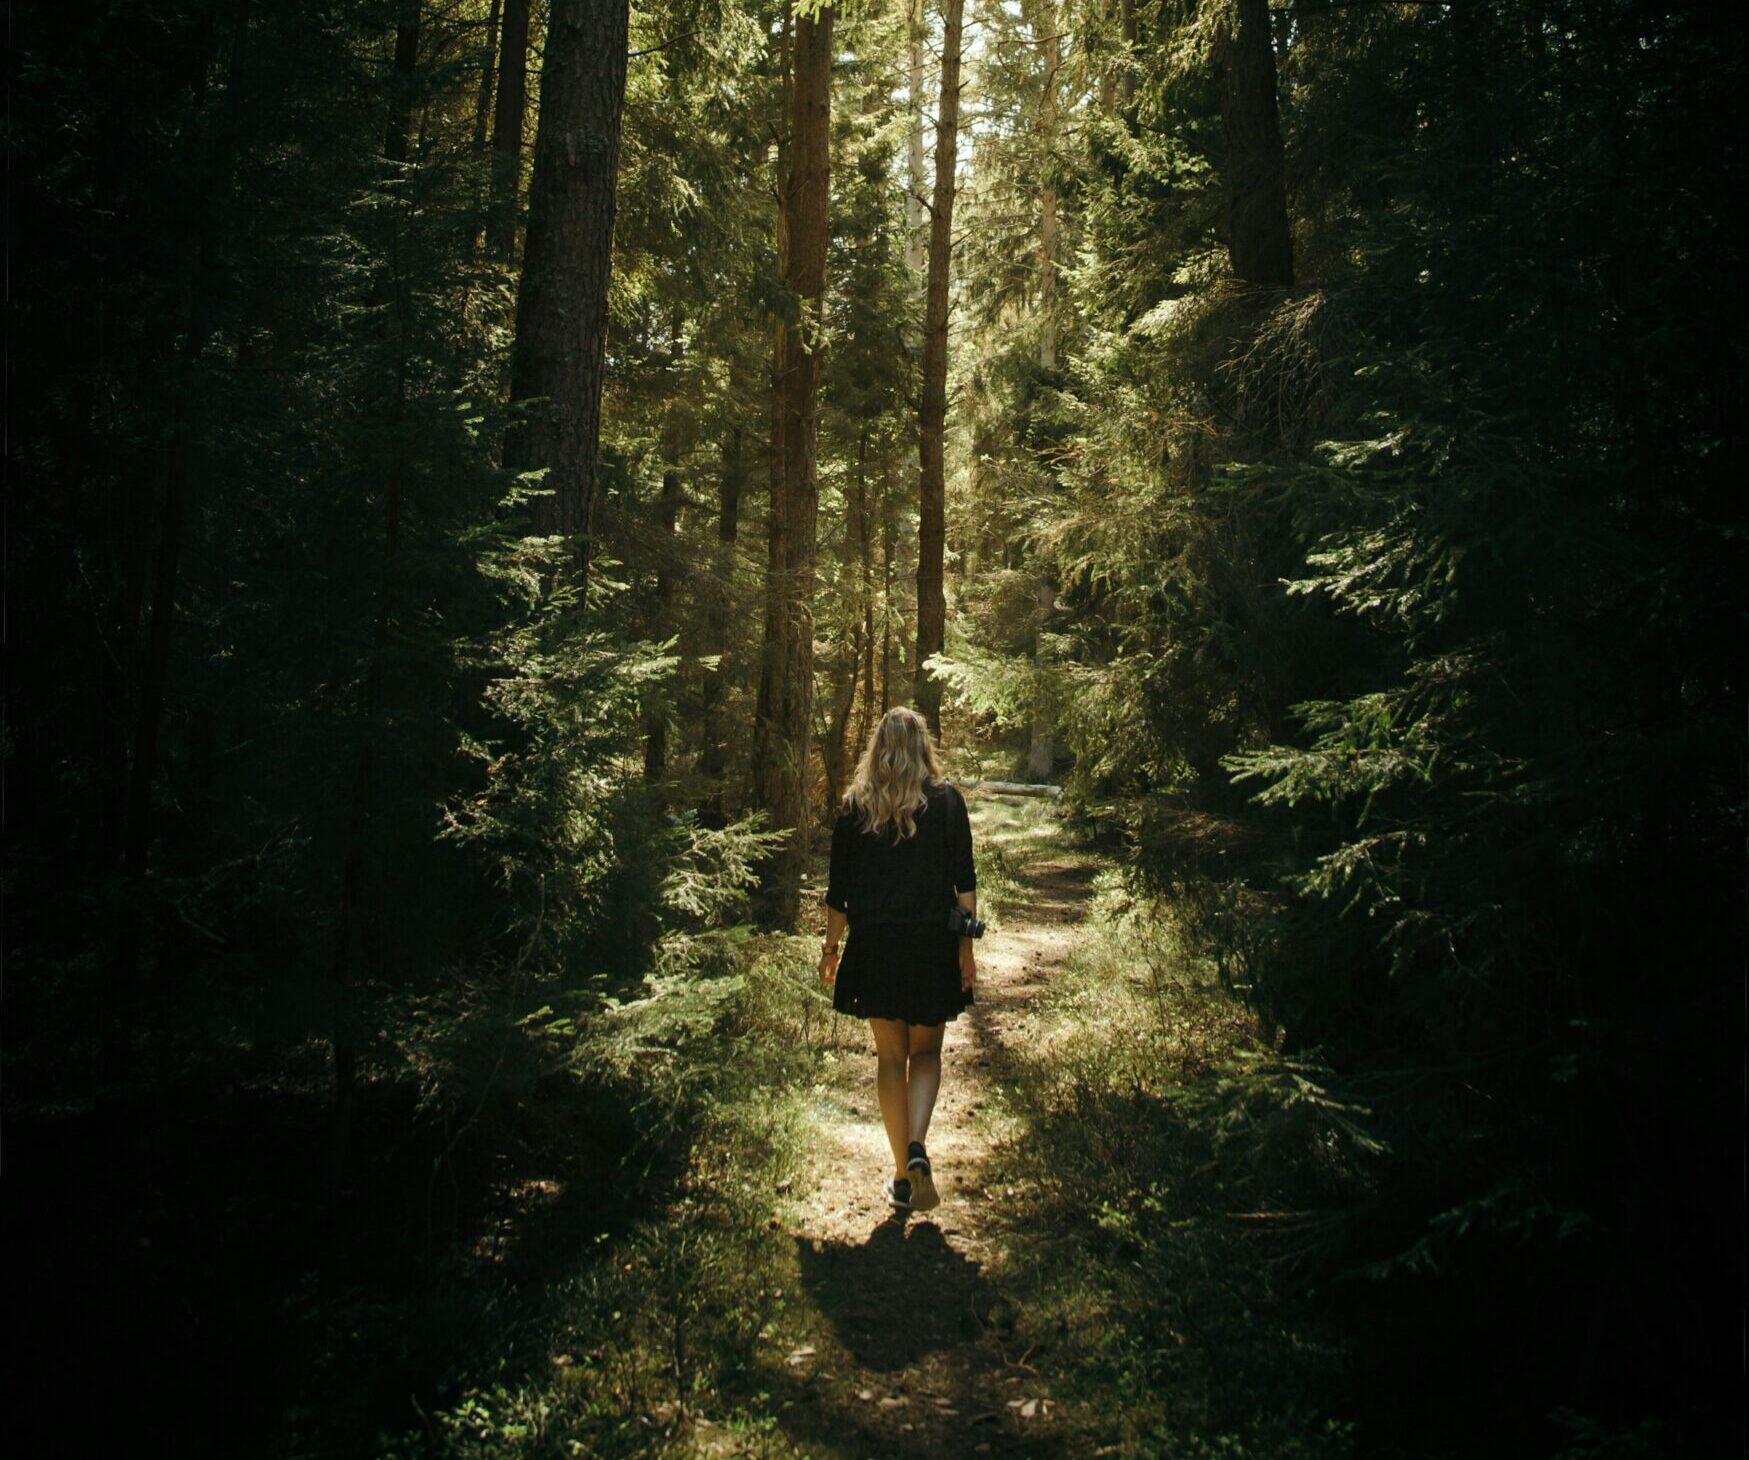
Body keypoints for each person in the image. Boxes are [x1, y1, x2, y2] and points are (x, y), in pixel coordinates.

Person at [818, 706, 978, 1212]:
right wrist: (965, 951)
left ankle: (901, 1176)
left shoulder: (853, 809)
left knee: (891, 1059)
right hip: (932, 946)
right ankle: (917, 1148)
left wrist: (830, 950)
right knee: (926, 1054)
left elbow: (838, 895)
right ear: (922, 747)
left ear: (877, 749)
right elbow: (966, 887)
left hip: (875, 947)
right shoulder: (948, 802)